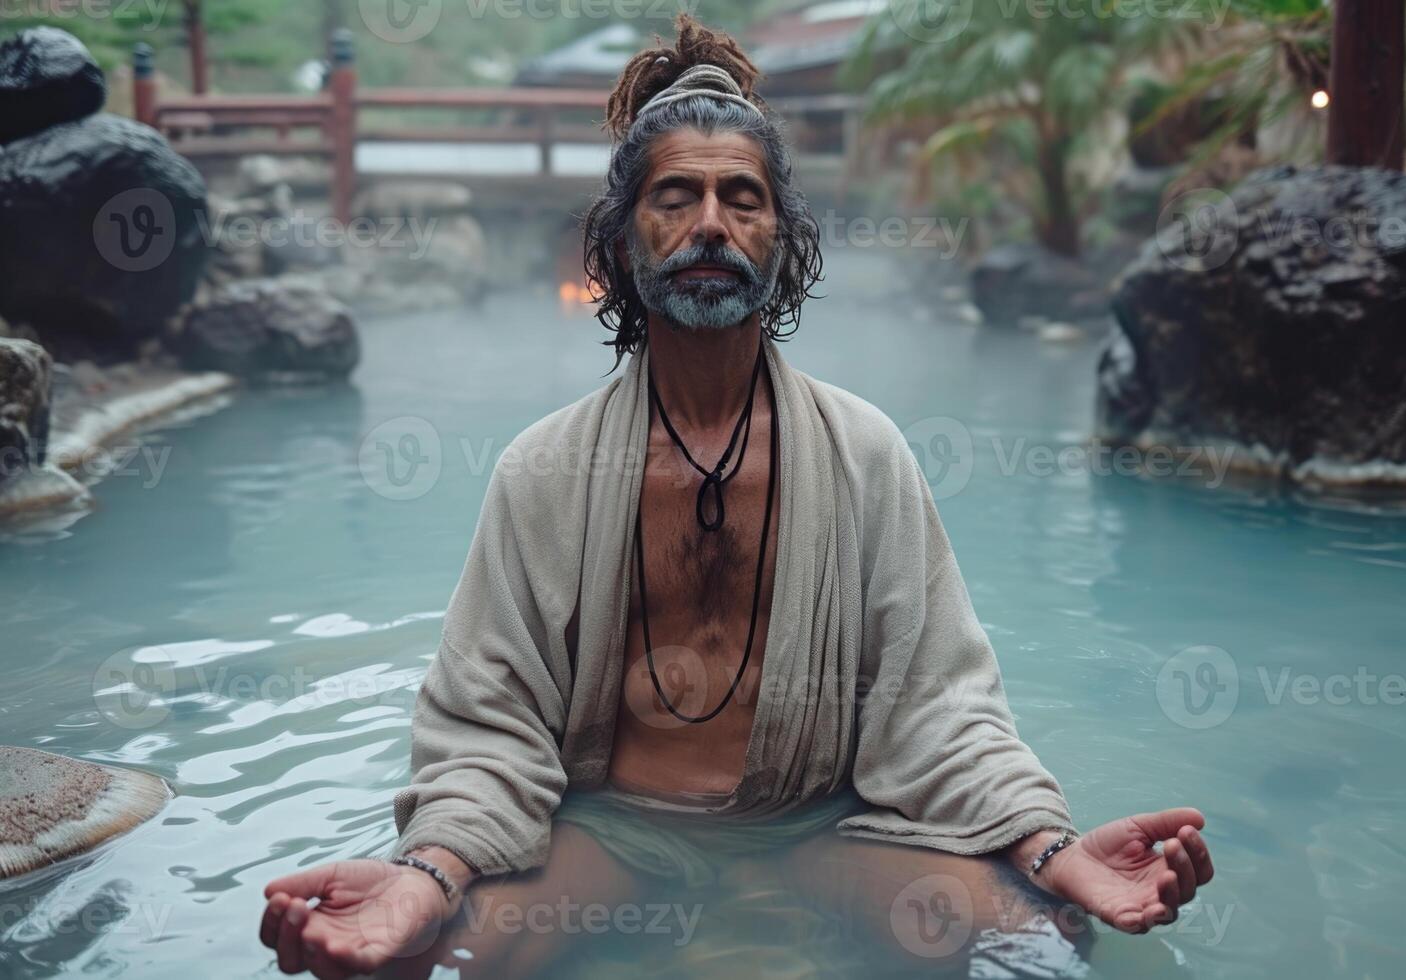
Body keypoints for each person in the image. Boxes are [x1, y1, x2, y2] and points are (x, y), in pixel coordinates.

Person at [259, 14, 1213, 978]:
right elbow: (486, 721)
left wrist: (1049, 851)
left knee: (1032, 947)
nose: (710, 222)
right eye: (676, 195)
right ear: (625, 238)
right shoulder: (545, 470)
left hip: (821, 834)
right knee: (422, 961)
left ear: (782, 238)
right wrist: (428, 873)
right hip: (618, 835)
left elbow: (941, 707)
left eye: (741, 198)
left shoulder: (864, 456)